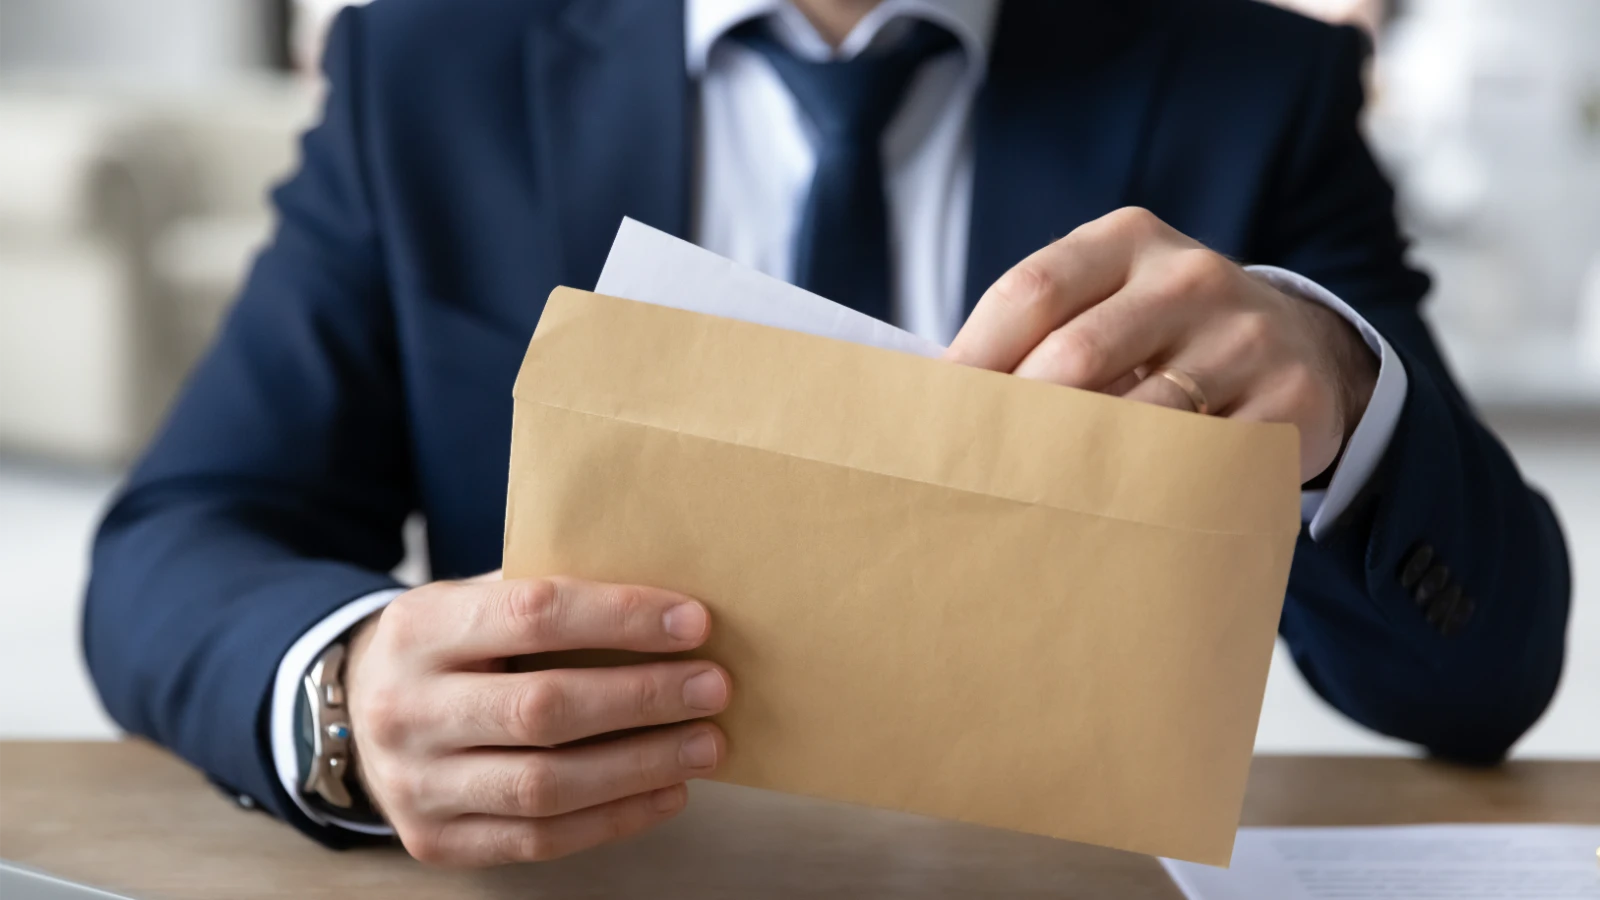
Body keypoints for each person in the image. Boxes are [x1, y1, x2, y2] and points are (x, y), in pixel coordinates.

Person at [84, 0, 1569, 868]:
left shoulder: (1247, 85)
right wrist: (343, 696)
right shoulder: (436, 66)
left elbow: (1484, 679)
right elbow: (182, 538)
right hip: (585, 876)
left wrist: (1339, 386)